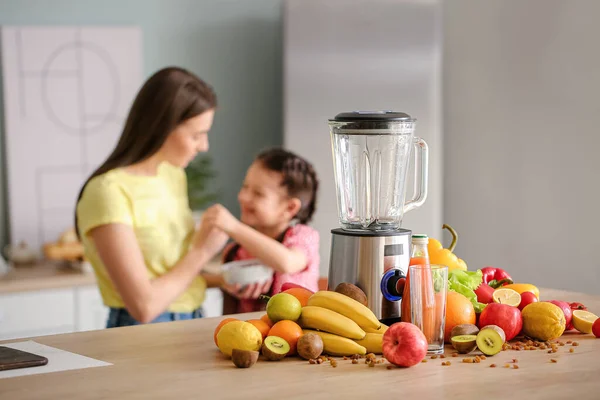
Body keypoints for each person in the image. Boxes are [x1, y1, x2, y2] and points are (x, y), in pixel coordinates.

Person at [75, 66, 229, 328]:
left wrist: (228, 279)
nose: (204, 146)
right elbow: (143, 306)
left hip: (193, 319)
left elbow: (174, 269)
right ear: (163, 126)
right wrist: (203, 251)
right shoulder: (107, 191)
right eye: (196, 135)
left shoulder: (172, 175)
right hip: (142, 330)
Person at [201, 147, 320, 314]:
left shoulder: (302, 237)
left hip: (296, 335)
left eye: (258, 193)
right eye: (245, 187)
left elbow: (288, 262)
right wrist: (227, 283)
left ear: (290, 207)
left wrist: (233, 226)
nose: (243, 197)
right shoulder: (237, 251)